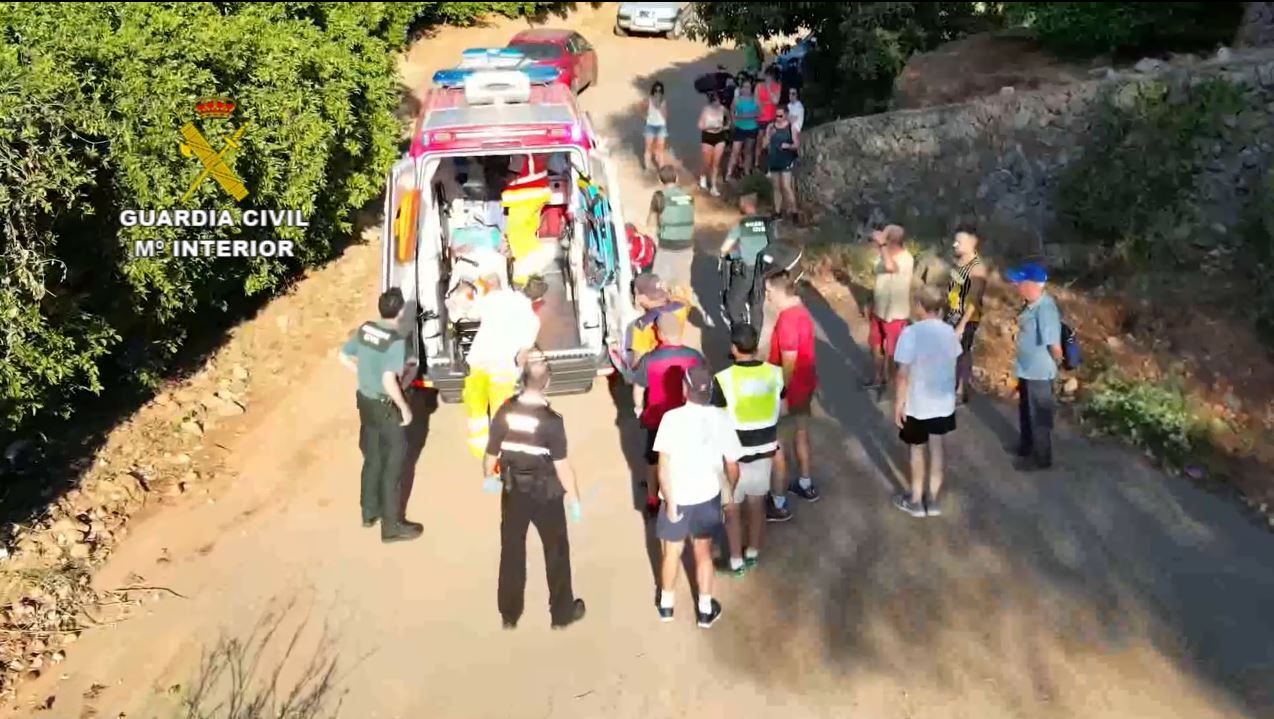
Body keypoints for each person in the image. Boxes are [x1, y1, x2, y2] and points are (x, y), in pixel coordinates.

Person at [483, 359, 587, 630]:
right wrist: (574, 500)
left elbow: (490, 454)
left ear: (522, 379)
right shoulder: (552, 422)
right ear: (547, 383)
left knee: (512, 550)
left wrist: (489, 478)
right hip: (546, 495)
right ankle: (562, 614)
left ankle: (509, 614)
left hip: (513, 491)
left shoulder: (506, 411)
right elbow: (562, 467)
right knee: (556, 551)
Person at [653, 364, 743, 628]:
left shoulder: (671, 419)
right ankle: (705, 610)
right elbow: (732, 466)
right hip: (707, 496)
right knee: (702, 552)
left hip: (678, 497)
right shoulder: (722, 418)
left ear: (685, 390)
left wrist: (669, 502)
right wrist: (730, 493)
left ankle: (666, 605)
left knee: (672, 552)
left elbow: (663, 466)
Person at [337, 289, 423, 543]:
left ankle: (369, 512)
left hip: (365, 402)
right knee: (393, 466)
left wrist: (363, 375)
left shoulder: (365, 329)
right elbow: (388, 379)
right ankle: (392, 526)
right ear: (398, 313)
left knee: (372, 457)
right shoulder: (395, 341)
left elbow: (342, 356)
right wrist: (405, 408)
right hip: (386, 407)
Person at [711, 325, 783, 576]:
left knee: (731, 508)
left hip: (733, 455)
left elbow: (718, 417)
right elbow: (780, 401)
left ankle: (735, 561)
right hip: (764, 452)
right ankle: (752, 552)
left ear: (734, 348)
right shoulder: (775, 373)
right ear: (756, 347)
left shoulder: (723, 379)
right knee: (756, 504)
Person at [891, 286, 962, 518]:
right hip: (942, 402)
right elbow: (957, 361)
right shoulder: (949, 332)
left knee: (917, 449)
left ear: (920, 307)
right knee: (938, 447)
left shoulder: (910, 333)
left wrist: (899, 403)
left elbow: (902, 373)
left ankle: (915, 500)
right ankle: (931, 499)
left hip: (917, 403)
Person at [633, 312, 707, 517]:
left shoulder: (649, 360)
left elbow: (639, 388)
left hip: (657, 418)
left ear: (658, 333)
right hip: (688, 416)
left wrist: (639, 408)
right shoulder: (694, 356)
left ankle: (653, 499)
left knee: (653, 459)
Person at [462, 274, 541, 458]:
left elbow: (470, 313)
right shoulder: (531, 317)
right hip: (503, 366)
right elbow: (524, 350)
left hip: (479, 360)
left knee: (477, 409)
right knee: (500, 412)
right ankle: (498, 454)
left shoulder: (491, 299)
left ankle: (479, 450)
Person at [765, 271, 819, 520]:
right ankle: (806, 484)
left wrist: (781, 393)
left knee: (777, 446)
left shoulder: (787, 319)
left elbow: (789, 358)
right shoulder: (803, 313)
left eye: (768, 292)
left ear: (778, 291)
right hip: (806, 385)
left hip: (789, 390)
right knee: (801, 432)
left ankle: (778, 501)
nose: (767, 297)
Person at [1007, 262, 1063, 472]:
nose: (1016, 286)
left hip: (1039, 372)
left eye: (1019, 282)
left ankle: (1041, 457)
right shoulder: (1031, 305)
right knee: (1025, 411)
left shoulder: (1045, 309)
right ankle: (1026, 446)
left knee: (1039, 416)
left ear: (1031, 284)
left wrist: (1057, 364)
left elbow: (1054, 345)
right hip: (1027, 369)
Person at [862, 224, 915, 392]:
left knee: (892, 353)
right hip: (879, 310)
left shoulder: (906, 258)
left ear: (890, 241)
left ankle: (891, 386)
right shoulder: (882, 255)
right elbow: (879, 278)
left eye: (883, 238)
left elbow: (891, 267)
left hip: (896, 315)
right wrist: (870, 301)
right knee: (874, 344)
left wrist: (882, 245)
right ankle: (879, 378)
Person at [944, 224, 988, 404]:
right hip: (951, 311)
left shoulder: (977, 268)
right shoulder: (958, 261)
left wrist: (961, 326)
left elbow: (974, 300)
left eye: (959, 241)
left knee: (962, 352)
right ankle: (950, 384)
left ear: (973, 242)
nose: (955, 245)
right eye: (955, 241)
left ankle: (961, 390)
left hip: (967, 317)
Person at [718, 194, 773, 333]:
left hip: (746, 269)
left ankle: (740, 330)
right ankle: (755, 338)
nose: (739, 206)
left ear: (747, 206)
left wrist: (728, 255)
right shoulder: (767, 223)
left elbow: (724, 248)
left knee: (733, 301)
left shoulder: (741, 224)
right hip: (764, 270)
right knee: (757, 305)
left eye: (741, 204)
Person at [646, 165, 696, 292]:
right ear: (676, 178)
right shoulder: (688, 196)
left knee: (658, 285)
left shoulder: (659, 196)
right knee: (682, 286)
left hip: (667, 246)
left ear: (659, 180)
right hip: (687, 246)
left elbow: (650, 223)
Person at [763, 106, 799, 222]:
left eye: (780, 116)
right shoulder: (770, 127)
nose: (778, 118)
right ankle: (777, 212)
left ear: (786, 115)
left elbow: (796, 144)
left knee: (786, 186)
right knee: (776, 187)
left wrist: (788, 146)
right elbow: (764, 145)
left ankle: (794, 211)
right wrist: (769, 136)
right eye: (776, 115)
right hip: (774, 160)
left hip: (786, 160)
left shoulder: (790, 127)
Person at [726, 77, 759, 180]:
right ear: (741, 88)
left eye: (748, 87)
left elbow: (759, 112)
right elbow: (731, 111)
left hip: (752, 127)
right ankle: (729, 173)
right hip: (740, 127)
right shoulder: (737, 99)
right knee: (735, 151)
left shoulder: (755, 99)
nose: (746, 89)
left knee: (748, 151)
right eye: (744, 87)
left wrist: (744, 116)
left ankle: (746, 172)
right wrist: (734, 121)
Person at [697, 91, 729, 197]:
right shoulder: (706, 110)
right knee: (707, 162)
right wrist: (710, 127)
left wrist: (724, 127)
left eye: (718, 100)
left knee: (716, 163)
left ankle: (714, 186)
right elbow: (700, 126)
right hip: (708, 136)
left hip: (720, 136)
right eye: (715, 100)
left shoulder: (723, 109)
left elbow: (729, 120)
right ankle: (703, 176)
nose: (717, 102)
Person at [754, 66, 783, 168]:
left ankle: (770, 164)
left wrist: (769, 89)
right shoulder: (759, 86)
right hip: (761, 117)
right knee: (759, 139)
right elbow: (756, 101)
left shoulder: (777, 87)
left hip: (771, 117)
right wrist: (764, 103)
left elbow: (776, 101)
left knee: (771, 140)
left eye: (770, 76)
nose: (768, 78)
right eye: (767, 76)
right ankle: (757, 162)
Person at [642, 81, 668, 173]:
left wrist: (660, 107)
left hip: (661, 126)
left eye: (660, 91)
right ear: (653, 91)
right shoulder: (648, 100)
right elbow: (641, 109)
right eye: (656, 91)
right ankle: (647, 167)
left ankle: (661, 168)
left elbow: (665, 115)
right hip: (650, 126)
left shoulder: (663, 102)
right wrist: (645, 117)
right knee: (648, 147)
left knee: (660, 148)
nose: (658, 93)